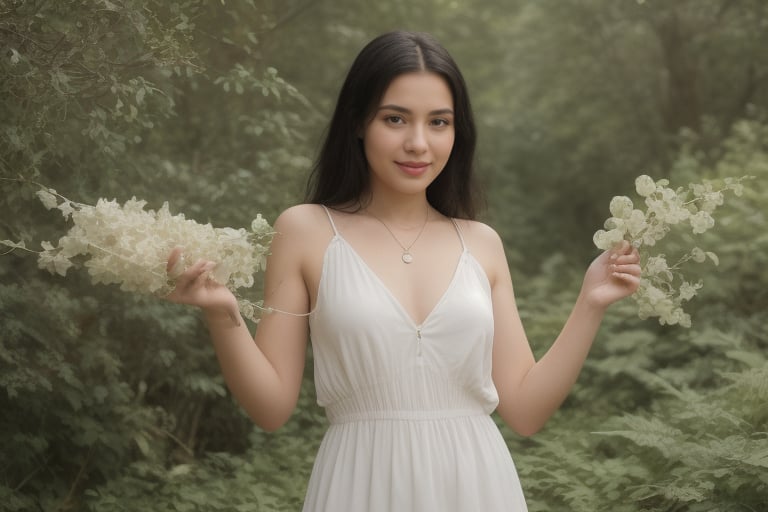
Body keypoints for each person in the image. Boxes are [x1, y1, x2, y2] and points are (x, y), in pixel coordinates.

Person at [165, 31, 641, 512]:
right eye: (395, 119)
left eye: (439, 122)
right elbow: (270, 409)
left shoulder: (480, 243)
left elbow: (525, 411)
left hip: (478, 487)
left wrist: (591, 303)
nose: (418, 143)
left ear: (458, 132)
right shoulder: (306, 230)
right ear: (357, 122)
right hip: (360, 485)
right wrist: (224, 315)